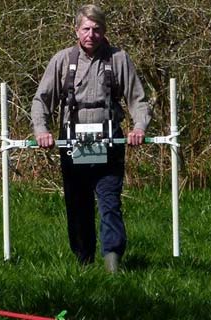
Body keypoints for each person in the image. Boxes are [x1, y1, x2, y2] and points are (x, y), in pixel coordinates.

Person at [30, 4, 150, 273]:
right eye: (86, 29)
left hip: (110, 143)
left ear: (104, 31)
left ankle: (112, 263)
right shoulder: (61, 60)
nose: (91, 35)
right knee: (78, 204)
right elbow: (41, 100)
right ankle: (83, 262)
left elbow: (138, 99)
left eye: (97, 29)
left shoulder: (119, 59)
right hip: (72, 144)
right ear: (76, 30)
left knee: (110, 203)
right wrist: (41, 130)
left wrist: (139, 127)